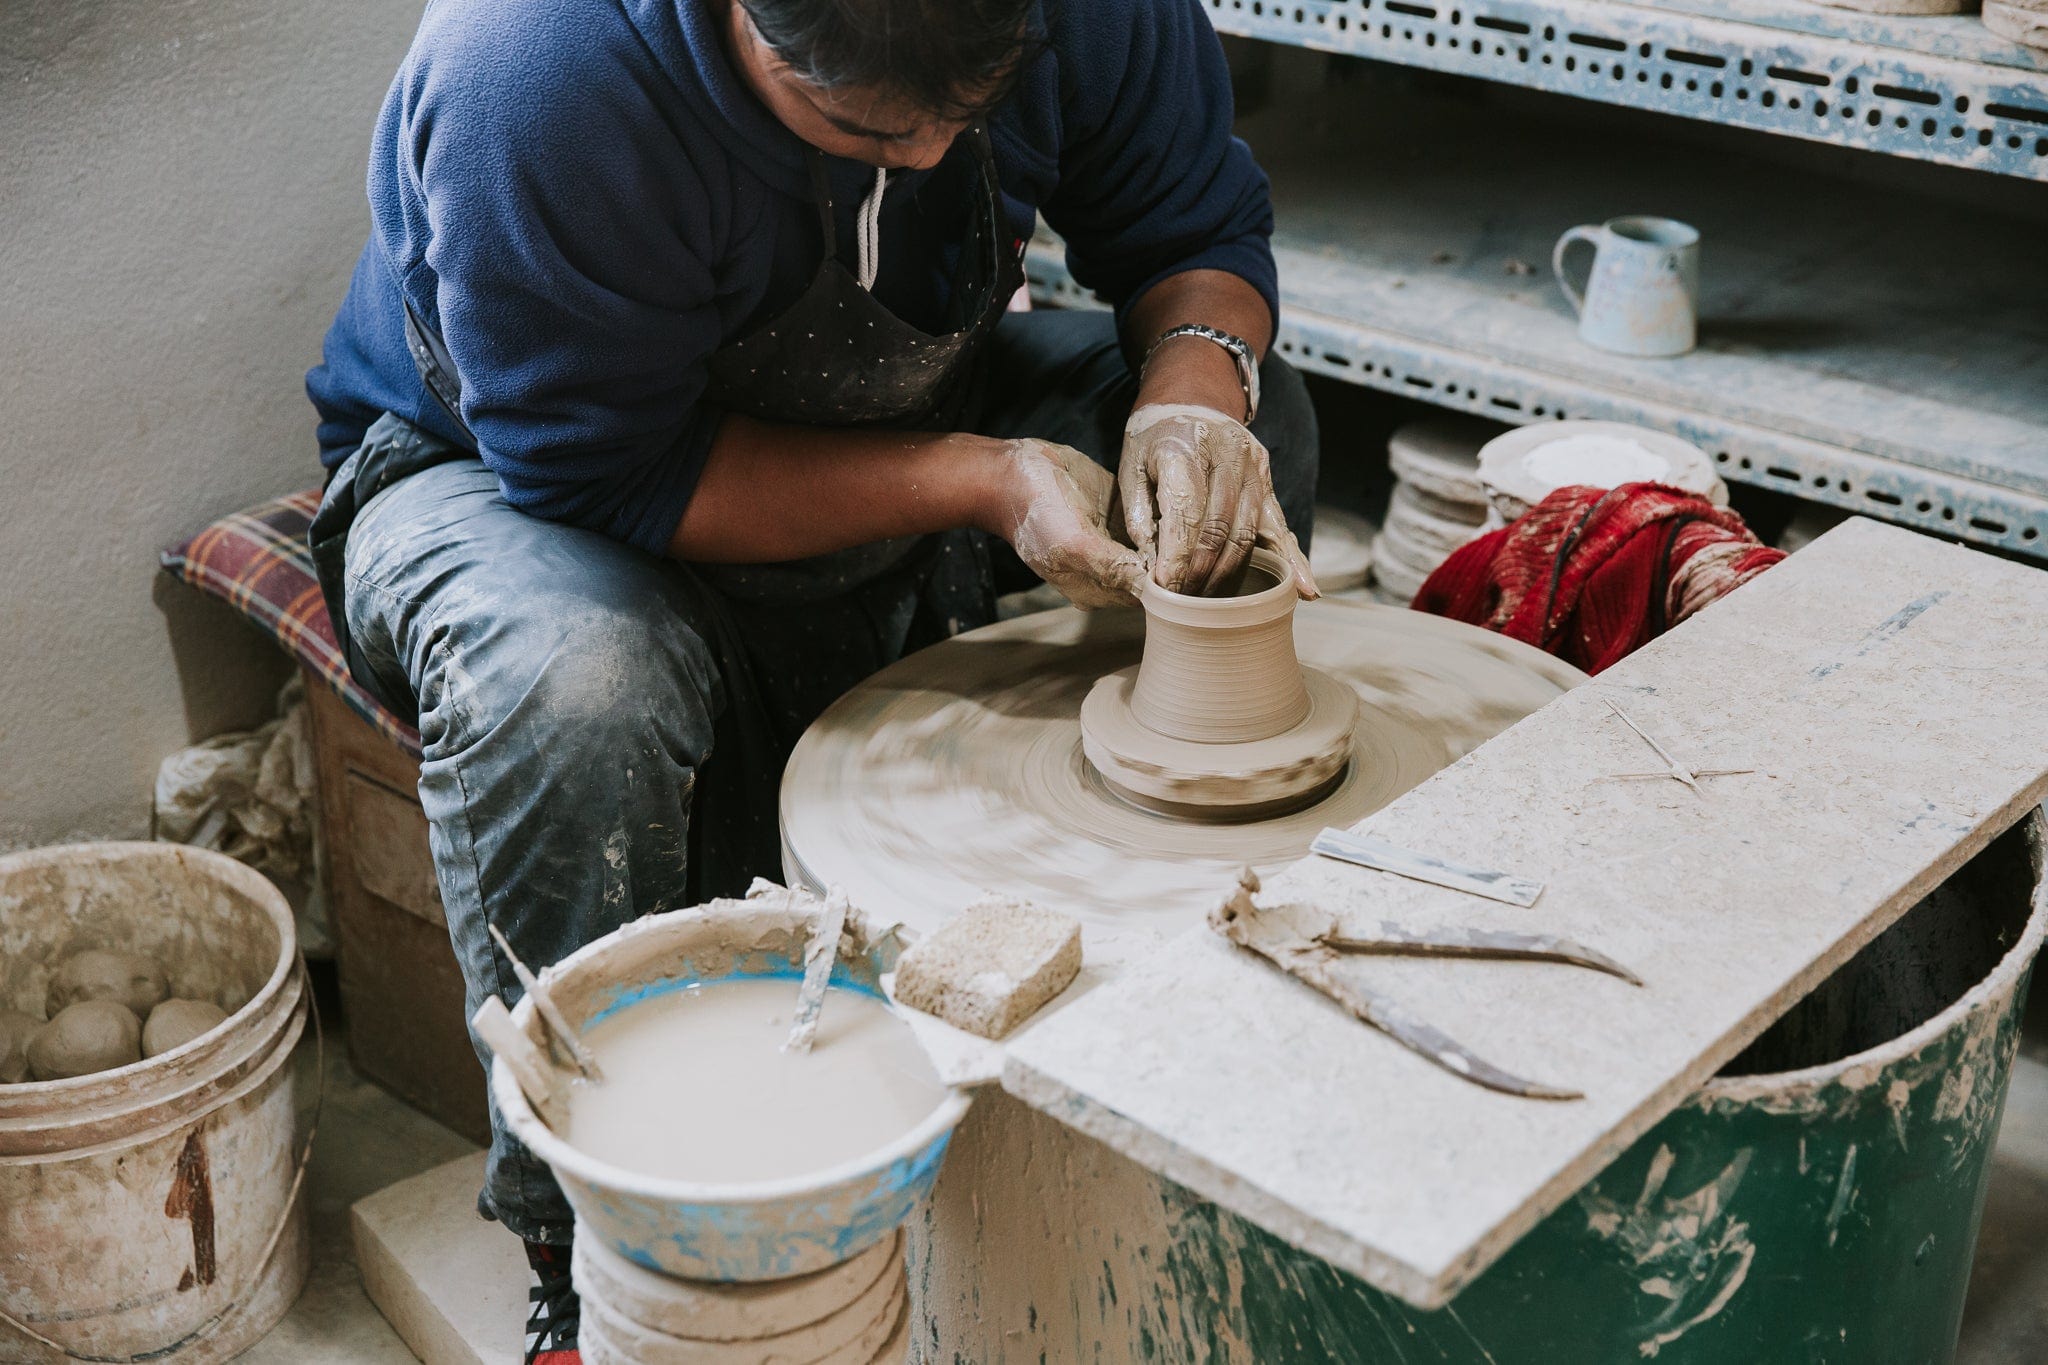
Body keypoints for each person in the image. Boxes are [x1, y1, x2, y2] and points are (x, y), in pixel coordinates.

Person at [305, 0, 1318, 1357]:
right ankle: (585, 1243)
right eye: (862, 128)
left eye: (972, 118)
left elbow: (1190, 228)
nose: (928, 160)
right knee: (580, 680)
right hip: (502, 476)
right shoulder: (535, 69)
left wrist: (1195, 391)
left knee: (1250, 448)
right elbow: (614, 468)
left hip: (895, 404)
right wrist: (977, 480)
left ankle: (1103, 1037)